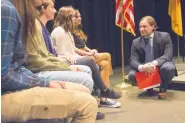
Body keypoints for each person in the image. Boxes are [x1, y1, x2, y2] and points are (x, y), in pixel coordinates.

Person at [1, 0, 98, 123]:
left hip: (18, 81)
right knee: (88, 104)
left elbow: (18, 66)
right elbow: (3, 75)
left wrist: (46, 81)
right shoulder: (6, 10)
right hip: (5, 94)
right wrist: (45, 83)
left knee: (83, 89)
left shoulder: (19, 13)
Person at [39, 1, 121, 108]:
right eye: (73, 16)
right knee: (91, 61)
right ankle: (104, 91)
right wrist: (81, 58)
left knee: (100, 63)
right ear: (67, 17)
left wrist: (85, 53)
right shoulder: (59, 32)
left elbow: (73, 48)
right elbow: (61, 54)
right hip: (66, 60)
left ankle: (100, 96)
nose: (76, 19)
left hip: (71, 58)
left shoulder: (67, 31)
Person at [14, 0, 96, 92]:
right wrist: (66, 66)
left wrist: (66, 65)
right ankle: (101, 94)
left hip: (45, 65)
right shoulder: (34, 23)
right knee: (87, 76)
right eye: (52, 8)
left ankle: (100, 94)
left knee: (88, 69)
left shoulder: (39, 24)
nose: (55, 11)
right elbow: (35, 61)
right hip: (37, 71)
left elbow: (47, 55)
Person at [128, 16, 177, 99]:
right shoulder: (136, 42)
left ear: (153, 26)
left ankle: (163, 87)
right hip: (145, 67)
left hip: (160, 65)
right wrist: (142, 67)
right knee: (132, 75)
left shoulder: (164, 37)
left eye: (144, 26)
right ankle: (148, 88)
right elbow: (132, 60)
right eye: (140, 27)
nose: (141, 29)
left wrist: (154, 63)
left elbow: (168, 55)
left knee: (168, 68)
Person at [72, 9, 113, 87]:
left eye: (80, 16)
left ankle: (104, 87)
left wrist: (92, 51)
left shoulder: (79, 30)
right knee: (107, 55)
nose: (80, 18)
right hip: (80, 55)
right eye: (77, 17)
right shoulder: (71, 32)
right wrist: (90, 53)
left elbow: (83, 45)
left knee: (105, 63)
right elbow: (74, 48)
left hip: (86, 52)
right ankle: (103, 85)